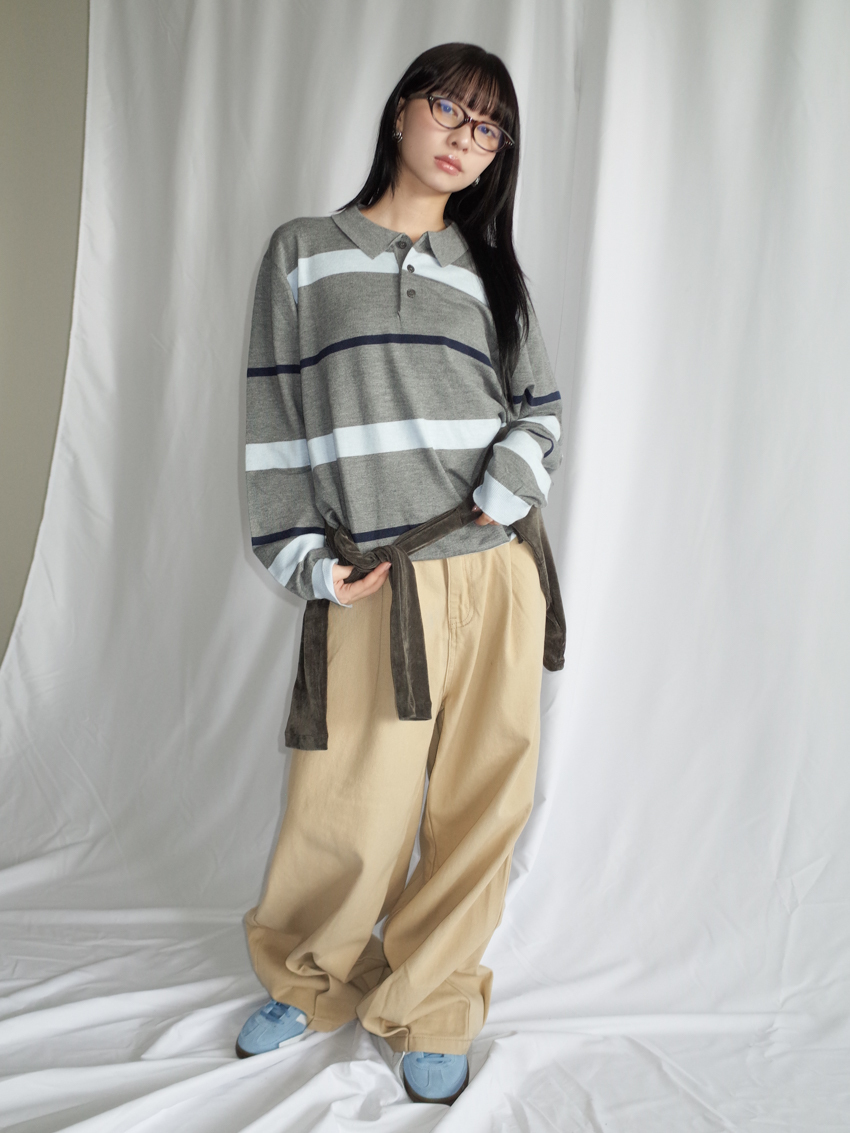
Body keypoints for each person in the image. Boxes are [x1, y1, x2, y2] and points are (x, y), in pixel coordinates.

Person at [236, 42, 563, 1107]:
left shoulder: (490, 269)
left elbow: (539, 409)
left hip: (494, 572)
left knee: (481, 802)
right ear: (401, 113)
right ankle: (311, 974)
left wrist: (508, 486)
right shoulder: (303, 251)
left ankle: (432, 1000)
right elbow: (276, 419)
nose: (467, 139)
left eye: (489, 128)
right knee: (348, 799)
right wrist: (304, 561)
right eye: (451, 111)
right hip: (377, 577)